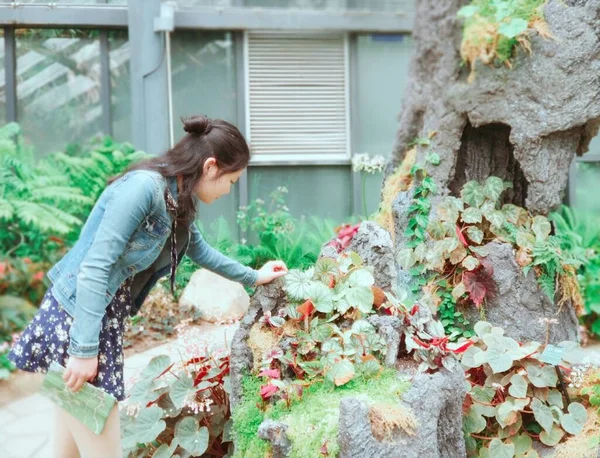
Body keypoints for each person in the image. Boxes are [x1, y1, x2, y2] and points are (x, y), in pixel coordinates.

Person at [8, 115, 288, 458]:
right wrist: (83, 350)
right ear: (211, 166)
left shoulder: (178, 198)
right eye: (231, 180)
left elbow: (199, 250)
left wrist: (253, 276)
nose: (230, 190)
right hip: (77, 319)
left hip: (96, 320)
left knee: (68, 452)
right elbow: (96, 266)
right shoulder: (143, 188)